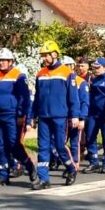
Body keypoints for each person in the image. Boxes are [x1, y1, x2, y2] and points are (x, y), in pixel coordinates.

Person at [30, 41, 79, 190]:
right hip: (44, 117)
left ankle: (71, 169)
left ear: (55, 54)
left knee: (59, 146)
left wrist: (75, 115)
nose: (44, 58)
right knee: (43, 147)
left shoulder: (67, 73)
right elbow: (37, 97)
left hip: (60, 116)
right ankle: (44, 179)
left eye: (46, 55)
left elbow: (73, 97)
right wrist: (32, 115)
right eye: (42, 56)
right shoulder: (40, 74)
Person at [0, 48, 37, 186]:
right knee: (1, 146)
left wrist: (21, 115)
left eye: (3, 60)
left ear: (11, 61)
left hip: (12, 116)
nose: (1, 63)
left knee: (14, 145)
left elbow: (24, 97)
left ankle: (29, 166)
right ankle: (3, 176)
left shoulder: (18, 76)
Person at [83, 58, 105, 174]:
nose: (95, 70)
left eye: (97, 68)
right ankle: (94, 162)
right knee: (90, 137)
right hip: (93, 114)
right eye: (94, 68)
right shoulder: (93, 80)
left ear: (104, 67)